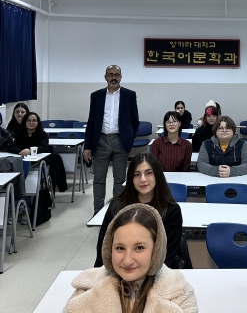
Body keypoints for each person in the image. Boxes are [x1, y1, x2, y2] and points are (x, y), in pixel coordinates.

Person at [69, 204, 197, 313]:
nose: (127, 261)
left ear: (156, 249)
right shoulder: (85, 291)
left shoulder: (180, 295)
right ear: (109, 249)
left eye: (139, 248)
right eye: (120, 248)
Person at [94, 153, 184, 269]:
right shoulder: (116, 207)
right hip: (120, 272)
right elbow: (104, 248)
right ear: (131, 178)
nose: (143, 179)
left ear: (157, 176)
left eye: (148, 173)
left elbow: (168, 255)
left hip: (156, 274)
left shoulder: (171, 210)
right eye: (137, 174)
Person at [83, 65, 140, 214]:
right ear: (105, 77)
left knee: (120, 180)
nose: (113, 77)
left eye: (117, 74)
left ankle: (117, 212)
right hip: (100, 141)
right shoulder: (96, 96)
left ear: (121, 77)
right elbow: (91, 122)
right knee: (99, 179)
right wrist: (87, 146)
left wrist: (130, 138)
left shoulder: (129, 95)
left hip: (121, 141)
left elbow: (135, 120)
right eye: (110, 74)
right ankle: (98, 212)